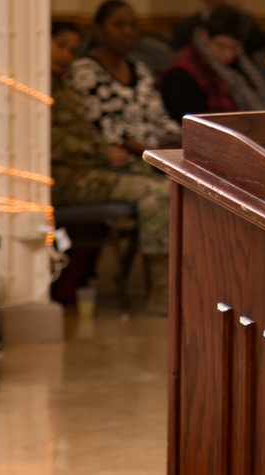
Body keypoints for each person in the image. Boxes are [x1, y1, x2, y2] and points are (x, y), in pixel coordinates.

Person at [50, 23, 171, 314]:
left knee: (172, 184)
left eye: (71, 49)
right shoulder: (33, 89)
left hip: (89, 170)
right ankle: (162, 291)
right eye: (60, 45)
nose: (67, 55)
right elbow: (49, 143)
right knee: (155, 195)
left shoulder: (61, 85)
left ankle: (183, 283)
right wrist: (101, 152)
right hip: (64, 178)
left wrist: (104, 151)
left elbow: (83, 132)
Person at [71, 0, 182, 156]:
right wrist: (157, 155)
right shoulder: (85, 72)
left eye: (133, 26)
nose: (128, 32)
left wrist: (176, 143)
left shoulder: (140, 69)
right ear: (98, 29)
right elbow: (105, 129)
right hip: (121, 160)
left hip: (157, 154)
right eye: (119, 25)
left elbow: (160, 118)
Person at [159, 4, 265, 120]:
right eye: (222, 46)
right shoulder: (182, 73)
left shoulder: (241, 65)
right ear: (205, 37)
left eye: (234, 47)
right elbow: (189, 122)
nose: (228, 54)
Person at [171, 0, 265, 53]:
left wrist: (239, 15)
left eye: (229, 0)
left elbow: (258, 43)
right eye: (222, 1)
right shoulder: (185, 27)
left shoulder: (243, 22)